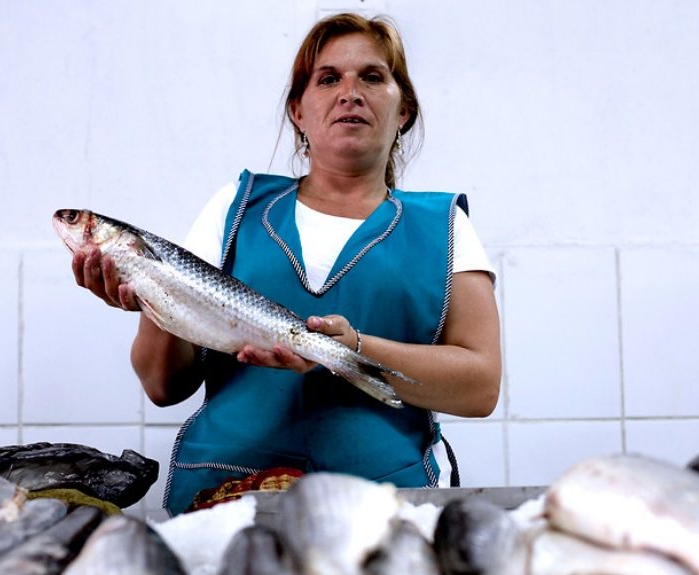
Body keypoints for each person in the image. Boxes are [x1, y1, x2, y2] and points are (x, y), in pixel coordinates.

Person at [71, 13, 501, 516]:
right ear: (298, 110)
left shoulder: (445, 227)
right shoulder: (236, 207)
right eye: (328, 78)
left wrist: (352, 349)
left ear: (403, 108)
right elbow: (162, 385)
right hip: (230, 501)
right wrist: (150, 296)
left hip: (385, 506)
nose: (349, 92)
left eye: (372, 76)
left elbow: (480, 385)